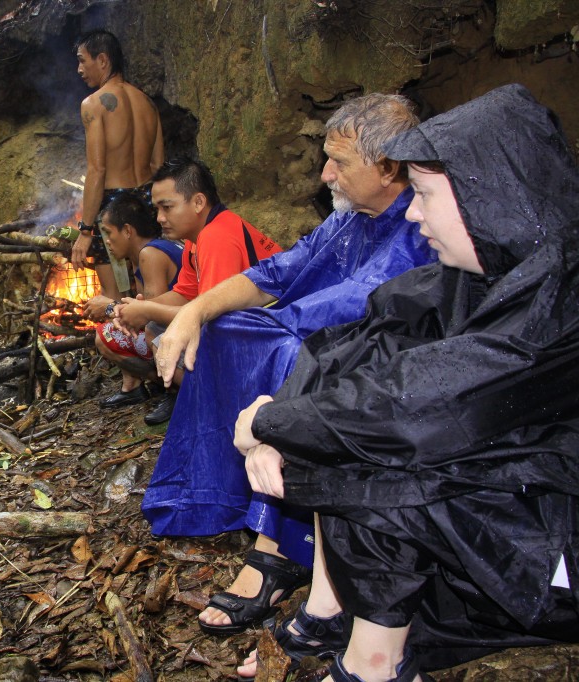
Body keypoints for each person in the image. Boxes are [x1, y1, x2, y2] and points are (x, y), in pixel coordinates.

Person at [233, 83, 579, 682]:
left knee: (368, 447)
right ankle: (354, 626)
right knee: (344, 413)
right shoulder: (486, 270)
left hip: (553, 553)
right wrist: (280, 417)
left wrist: (269, 425)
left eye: (421, 195)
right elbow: (349, 343)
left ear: (484, 197)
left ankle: (373, 658)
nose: (412, 215)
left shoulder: (560, 299)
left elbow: (416, 408)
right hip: (504, 511)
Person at [143, 95, 437, 635]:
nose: (325, 173)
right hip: (313, 336)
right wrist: (192, 315)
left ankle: (277, 545)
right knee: (224, 330)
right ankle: (221, 492)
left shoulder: (422, 221)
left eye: (339, 162)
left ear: (388, 166)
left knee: (290, 353)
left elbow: (356, 305)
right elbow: (275, 274)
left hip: (380, 368)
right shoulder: (347, 222)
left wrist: (272, 326)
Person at [114, 157, 281, 424]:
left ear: (198, 202)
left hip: (269, 336)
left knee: (163, 336)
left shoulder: (217, 237)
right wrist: (136, 309)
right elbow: (184, 292)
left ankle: (228, 407)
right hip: (247, 326)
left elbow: (210, 313)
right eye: (157, 209)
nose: (160, 218)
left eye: (167, 207)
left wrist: (147, 309)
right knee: (155, 329)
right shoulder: (197, 240)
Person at [72, 30, 164, 302]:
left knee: (112, 296)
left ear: (102, 60)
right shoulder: (147, 103)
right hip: (147, 200)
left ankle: (115, 343)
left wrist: (86, 231)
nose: (79, 69)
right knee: (148, 292)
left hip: (113, 204)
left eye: (82, 60)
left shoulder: (93, 105)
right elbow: (158, 164)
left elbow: (97, 170)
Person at [81, 193, 183, 407]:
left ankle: (173, 389)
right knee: (115, 327)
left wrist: (109, 307)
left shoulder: (151, 254)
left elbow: (152, 315)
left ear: (127, 231)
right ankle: (133, 387)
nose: (107, 241)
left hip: (179, 331)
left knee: (106, 335)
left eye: (109, 233)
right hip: (176, 326)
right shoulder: (141, 256)